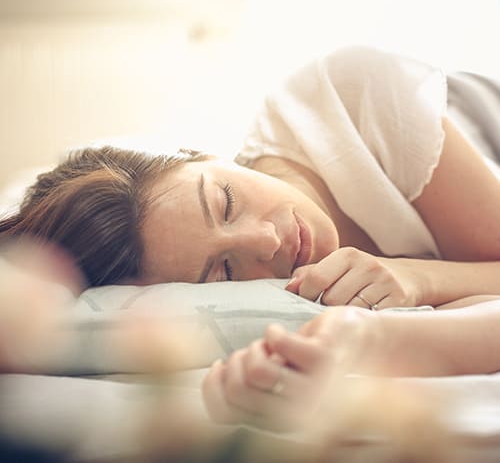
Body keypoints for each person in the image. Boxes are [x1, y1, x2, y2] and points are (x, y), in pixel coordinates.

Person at [2, 45, 500, 424]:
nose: (265, 244)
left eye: (225, 202)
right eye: (224, 270)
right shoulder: (300, 296)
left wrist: (417, 278)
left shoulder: (349, 98)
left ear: (202, 154)